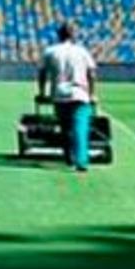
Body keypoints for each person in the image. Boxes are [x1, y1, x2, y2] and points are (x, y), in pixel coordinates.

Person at [38, 22, 100, 172]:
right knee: (80, 128)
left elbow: (42, 74)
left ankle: (68, 156)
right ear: (73, 35)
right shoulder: (82, 52)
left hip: (59, 94)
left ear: (59, 35)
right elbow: (91, 74)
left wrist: (42, 92)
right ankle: (81, 161)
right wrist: (92, 94)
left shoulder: (50, 52)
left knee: (65, 127)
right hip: (79, 94)